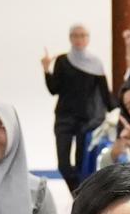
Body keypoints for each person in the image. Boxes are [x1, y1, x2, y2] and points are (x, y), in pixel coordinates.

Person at [45, 23, 109, 185]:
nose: (79, 39)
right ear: (70, 38)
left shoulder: (95, 63)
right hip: (64, 117)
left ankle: (80, 196)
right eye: (75, 35)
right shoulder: (62, 60)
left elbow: (105, 93)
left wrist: (117, 113)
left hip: (86, 120)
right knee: (63, 165)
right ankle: (76, 193)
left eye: (83, 35)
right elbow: (54, 89)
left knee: (82, 164)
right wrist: (46, 70)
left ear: (88, 39)